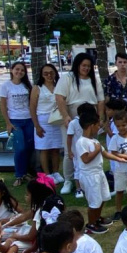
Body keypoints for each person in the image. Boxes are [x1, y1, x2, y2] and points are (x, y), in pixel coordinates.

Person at [55, 53, 106, 195]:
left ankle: (90, 176)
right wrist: (65, 116)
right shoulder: (67, 78)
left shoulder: (94, 80)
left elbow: (100, 100)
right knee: (69, 150)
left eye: (89, 66)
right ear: (77, 65)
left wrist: (100, 118)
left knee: (90, 147)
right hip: (72, 116)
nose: (86, 68)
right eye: (84, 65)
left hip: (90, 117)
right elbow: (59, 97)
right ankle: (68, 180)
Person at [78, 111, 127, 234]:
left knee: (103, 197)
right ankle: (91, 224)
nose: (99, 128)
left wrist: (120, 159)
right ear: (91, 125)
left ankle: (97, 217)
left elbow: (105, 154)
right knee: (94, 201)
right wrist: (96, 150)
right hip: (89, 176)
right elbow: (85, 159)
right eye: (97, 125)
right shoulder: (81, 142)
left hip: (99, 173)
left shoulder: (95, 141)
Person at [0, 61, 35, 187]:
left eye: (22, 70)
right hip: (15, 121)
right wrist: (8, 123)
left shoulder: (27, 86)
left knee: (30, 148)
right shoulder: (6, 86)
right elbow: (3, 105)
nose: (19, 72)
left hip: (29, 120)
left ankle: (27, 173)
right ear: (12, 70)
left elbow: (32, 103)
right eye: (17, 69)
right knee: (20, 148)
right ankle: (19, 174)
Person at [30, 64, 64, 182]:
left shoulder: (58, 86)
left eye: (51, 72)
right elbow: (32, 107)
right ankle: (47, 174)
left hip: (56, 120)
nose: (49, 75)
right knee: (44, 148)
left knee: (55, 148)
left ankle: (56, 172)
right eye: (46, 73)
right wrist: (37, 125)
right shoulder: (37, 88)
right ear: (41, 75)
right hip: (43, 121)